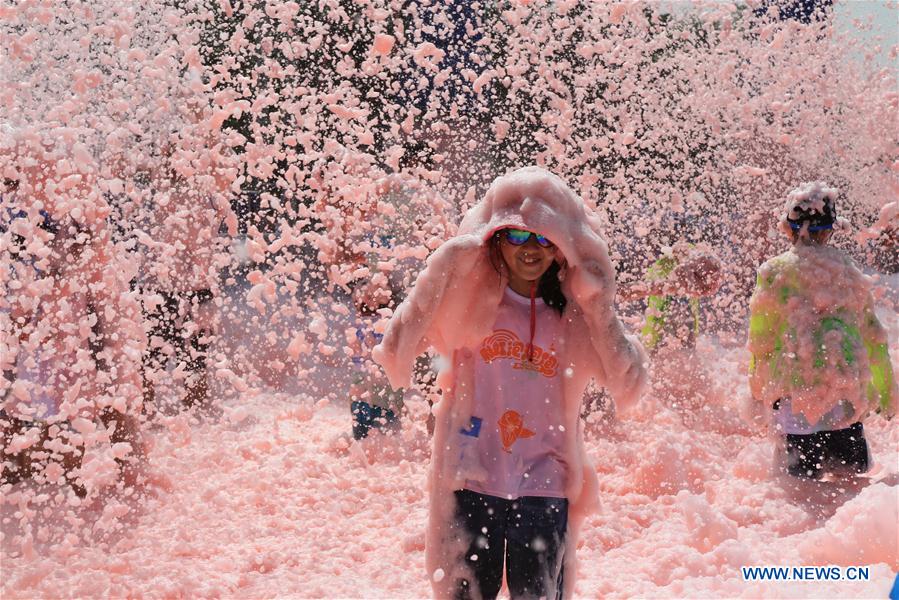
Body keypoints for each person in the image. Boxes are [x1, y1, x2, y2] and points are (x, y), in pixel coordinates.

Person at [373, 167, 646, 599]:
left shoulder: (573, 316)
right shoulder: (471, 301)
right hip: (473, 477)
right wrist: (445, 265)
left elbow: (628, 381)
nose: (531, 249)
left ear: (562, 248)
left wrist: (601, 307)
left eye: (544, 238)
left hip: (546, 482)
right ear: (495, 239)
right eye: (517, 236)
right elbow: (395, 348)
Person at [746, 182, 896, 480]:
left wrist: (757, 394)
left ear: (787, 228)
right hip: (846, 405)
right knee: (852, 488)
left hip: (795, 407)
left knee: (801, 496)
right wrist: (887, 393)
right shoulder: (849, 272)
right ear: (831, 230)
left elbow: (761, 343)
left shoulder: (774, 273)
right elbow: (873, 338)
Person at [613, 242, 722, 423]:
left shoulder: (683, 265)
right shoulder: (671, 270)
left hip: (670, 333)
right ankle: (677, 416)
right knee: (665, 377)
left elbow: (649, 288)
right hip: (662, 333)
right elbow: (650, 288)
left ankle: (678, 416)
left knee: (673, 376)